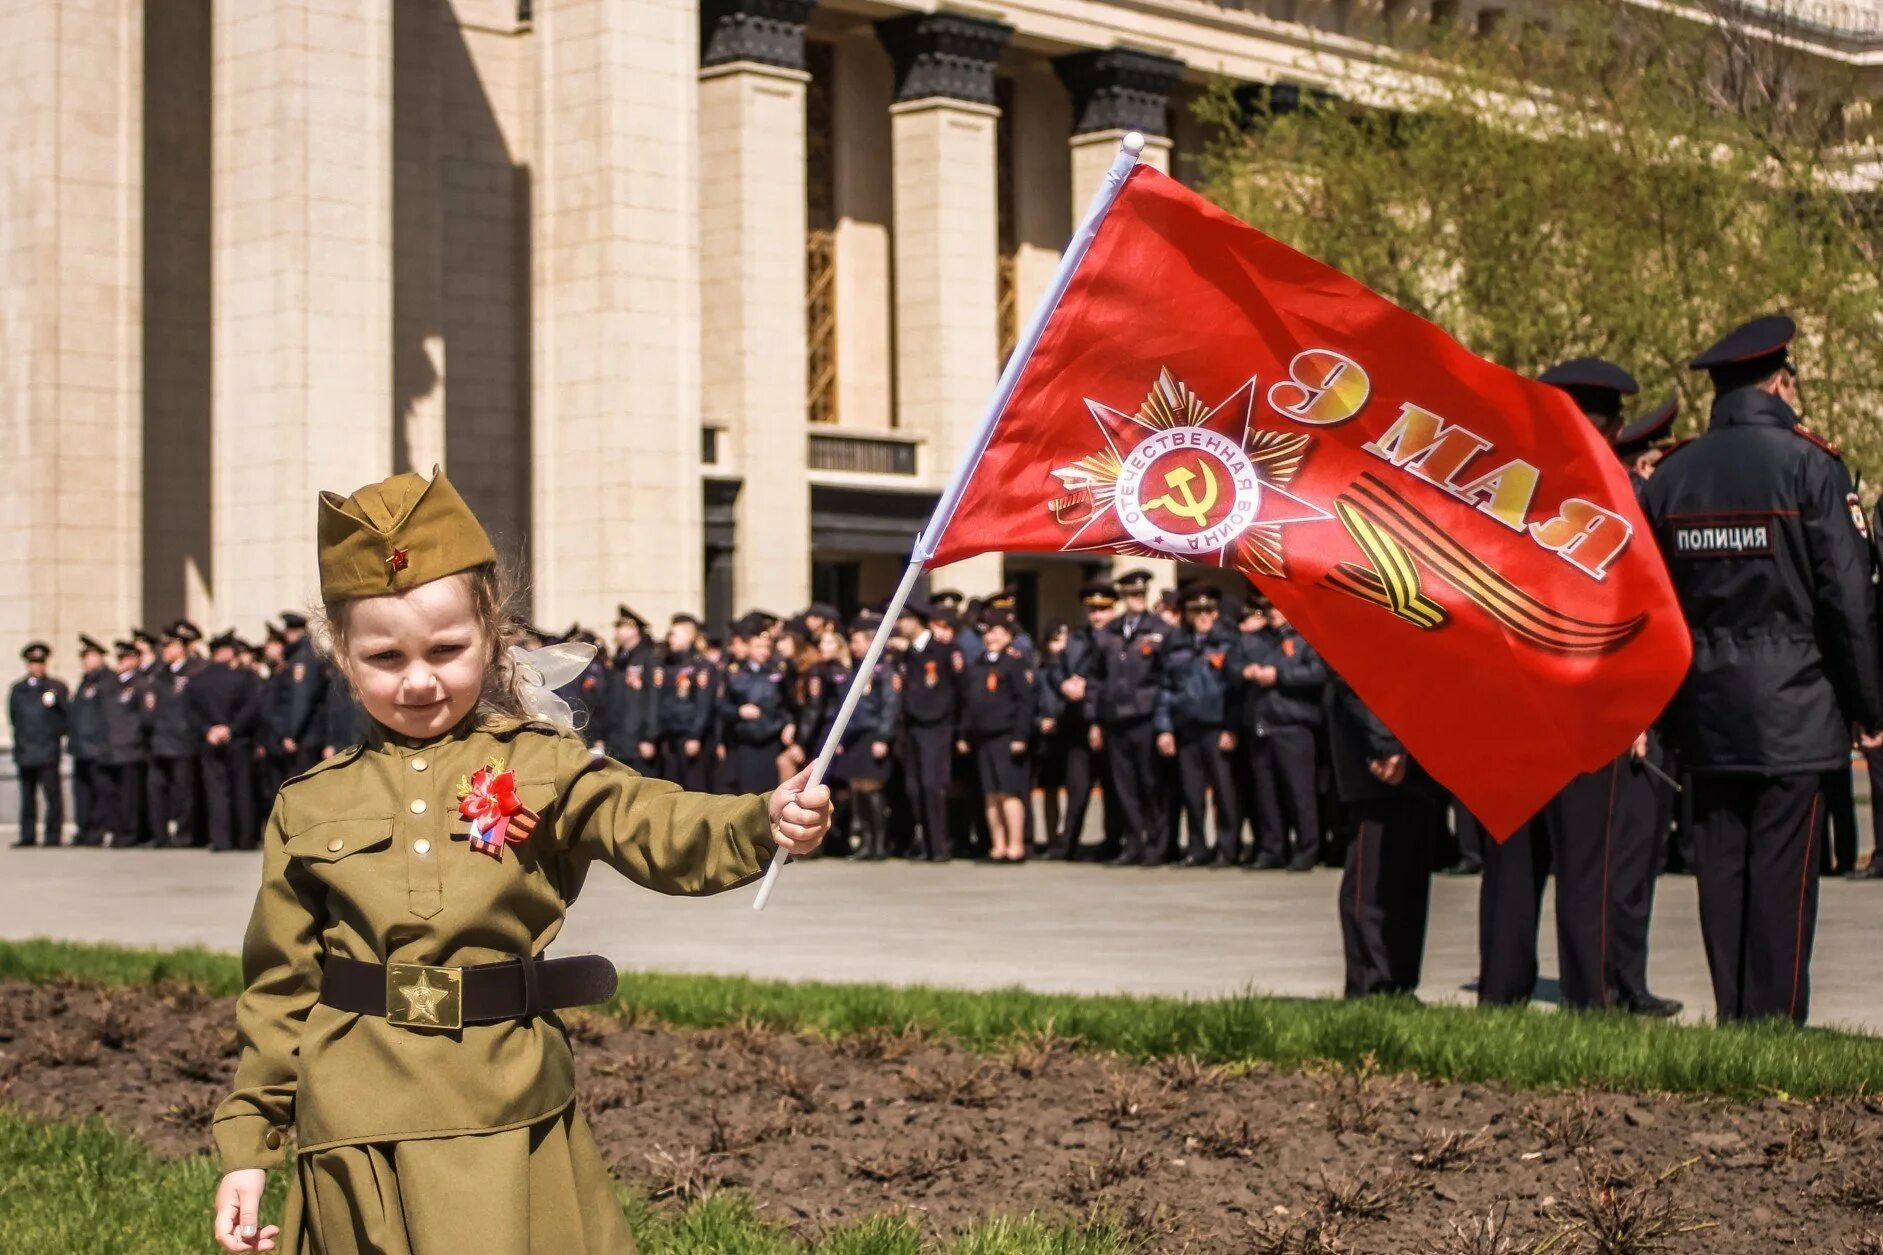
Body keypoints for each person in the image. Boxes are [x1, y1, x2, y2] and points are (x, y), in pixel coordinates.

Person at [209, 468, 830, 1254]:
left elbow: (650, 820)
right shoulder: (309, 802)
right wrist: (248, 1148)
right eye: (385, 657)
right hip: (359, 1125)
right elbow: (279, 990)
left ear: (493, 632)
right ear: (342, 654)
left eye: (446, 648)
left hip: (510, 1109)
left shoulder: (542, 763)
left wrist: (761, 819)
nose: (420, 679)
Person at [1642, 315, 1882, 1024]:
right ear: (1778, 381)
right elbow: (1848, 600)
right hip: (1795, 707)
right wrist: (1868, 708)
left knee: (1720, 873)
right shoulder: (1809, 465)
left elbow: (1650, 604)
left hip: (1705, 709)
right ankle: (1773, 1023)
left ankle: (1732, 1019)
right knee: (1783, 876)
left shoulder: (1674, 475)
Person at [1479, 358, 1681, 1017]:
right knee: (1587, 862)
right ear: (1616, 424)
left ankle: (1499, 991)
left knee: (1510, 863)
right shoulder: (1622, 493)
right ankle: (1588, 1000)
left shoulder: (1503, 486)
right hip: (1589, 699)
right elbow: (1642, 608)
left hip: (1511, 698)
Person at [1327, 672, 1446, 997]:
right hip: (1377, 760)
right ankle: (1371, 983)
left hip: (1418, 755)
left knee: (1409, 881)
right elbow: (1352, 675)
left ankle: (1400, 982)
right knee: (1372, 880)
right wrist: (1385, 744)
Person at [1237, 598, 1327, 870]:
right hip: (1264, 725)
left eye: (1279, 607)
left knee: (1299, 792)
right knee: (1267, 794)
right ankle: (1272, 848)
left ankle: (1307, 848)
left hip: (1293, 726)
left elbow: (1317, 672)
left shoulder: (1306, 638)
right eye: (1269, 609)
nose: (1274, 613)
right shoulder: (1264, 640)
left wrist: (1279, 674)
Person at [1086, 569, 1168, 866]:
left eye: (1140, 594)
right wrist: (1094, 719)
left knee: (1150, 783)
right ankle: (1133, 843)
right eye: (1130, 594)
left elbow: (1166, 678)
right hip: (1115, 719)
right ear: (1122, 597)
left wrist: (1164, 725)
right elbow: (1096, 679)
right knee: (1124, 786)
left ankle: (1157, 844)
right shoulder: (1111, 631)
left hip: (1145, 717)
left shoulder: (1159, 629)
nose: (1136, 599)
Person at [1157, 586, 1242, 866]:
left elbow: (1235, 692)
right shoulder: (1176, 642)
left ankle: (1228, 848)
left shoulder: (1229, 642)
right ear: (1188, 614)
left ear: (1216, 613)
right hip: (1186, 726)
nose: (1203, 616)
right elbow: (1166, 689)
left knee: (1224, 791)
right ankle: (1197, 847)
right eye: (1197, 611)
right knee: (1192, 792)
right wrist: (1165, 728)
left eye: (1208, 610)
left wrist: (1231, 727)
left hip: (1216, 726)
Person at [1048, 581, 1119, 861]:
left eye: (1103, 609)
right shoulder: (1078, 639)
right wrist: (1064, 683)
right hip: (1078, 726)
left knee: (1114, 789)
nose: (1097, 615)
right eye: (1092, 610)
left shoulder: (1119, 638)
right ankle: (1068, 844)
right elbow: (1055, 667)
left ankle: (1112, 844)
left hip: (1110, 724)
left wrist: (1087, 686)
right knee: (1076, 787)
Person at [958, 610, 1036, 863]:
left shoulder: (1014, 662)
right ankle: (998, 845)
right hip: (983, 737)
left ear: (1008, 635)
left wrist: (1020, 735)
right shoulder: (979, 663)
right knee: (990, 793)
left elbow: (1025, 702)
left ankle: (1016, 845)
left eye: (996, 632)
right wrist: (964, 732)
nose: (990, 637)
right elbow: (970, 702)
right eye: (987, 632)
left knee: (1009, 792)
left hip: (1007, 735)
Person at [896, 602, 965, 862]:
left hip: (937, 726)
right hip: (912, 726)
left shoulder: (944, 650)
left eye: (904, 619)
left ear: (918, 621)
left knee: (932, 785)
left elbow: (959, 691)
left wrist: (960, 729)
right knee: (914, 787)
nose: (900, 625)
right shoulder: (908, 654)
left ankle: (939, 845)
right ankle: (924, 843)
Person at [826, 623, 900, 860]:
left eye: (858, 640)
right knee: (857, 788)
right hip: (854, 737)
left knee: (872, 788)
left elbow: (890, 705)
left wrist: (883, 737)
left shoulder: (883, 670)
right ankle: (866, 842)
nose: (854, 646)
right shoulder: (858, 669)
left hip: (872, 735)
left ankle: (879, 843)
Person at [188, 631, 264, 853]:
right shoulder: (246, 677)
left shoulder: (198, 679)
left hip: (210, 742)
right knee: (243, 789)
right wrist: (232, 729)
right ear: (228, 651)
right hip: (239, 740)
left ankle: (221, 839)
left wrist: (208, 730)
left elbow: (190, 712)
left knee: (216, 790)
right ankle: (245, 839)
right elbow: (253, 707)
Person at [144, 621, 208, 847]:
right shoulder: (158, 673)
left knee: (184, 793)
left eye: (170, 646)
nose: (165, 651)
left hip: (183, 741)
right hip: (160, 740)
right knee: (156, 790)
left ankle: (184, 834)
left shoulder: (195, 670)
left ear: (181, 647)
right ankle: (159, 835)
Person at [719, 615, 796, 794]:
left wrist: (789, 724)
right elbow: (722, 708)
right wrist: (739, 711)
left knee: (770, 793)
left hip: (771, 740)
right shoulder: (734, 674)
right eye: (758, 646)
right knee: (748, 793)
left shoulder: (778, 673)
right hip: (746, 742)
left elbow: (787, 705)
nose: (763, 651)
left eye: (766, 647)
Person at [8, 642, 68, 847]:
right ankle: (28, 835)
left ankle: (53, 836)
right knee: (28, 797)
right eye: (33, 663)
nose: (36, 667)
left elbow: (64, 718)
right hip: (26, 750)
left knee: (52, 795)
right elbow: (14, 718)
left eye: (40, 663)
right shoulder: (18, 689)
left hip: (47, 749)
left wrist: (53, 736)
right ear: (27, 665)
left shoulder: (56, 687)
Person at [652, 613, 719, 792]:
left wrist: (695, 735)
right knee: (674, 789)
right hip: (672, 737)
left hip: (691, 737)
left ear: (689, 636)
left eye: (674, 634)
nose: (669, 638)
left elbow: (703, 705)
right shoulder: (669, 665)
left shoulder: (702, 667)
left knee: (696, 788)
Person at [265, 612, 328, 784]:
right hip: (304, 736)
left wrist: (292, 735)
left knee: (304, 786)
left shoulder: (303, 659)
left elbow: (302, 700)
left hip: (304, 737)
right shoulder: (300, 656)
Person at [101, 640, 148, 846]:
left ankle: (130, 833)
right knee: (112, 795)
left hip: (131, 748)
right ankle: (117, 831)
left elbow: (144, 717)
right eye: (119, 658)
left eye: (126, 658)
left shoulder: (141, 684)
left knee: (131, 798)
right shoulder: (110, 684)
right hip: (110, 749)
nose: (121, 662)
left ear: (136, 660)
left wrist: (135, 739)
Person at [68, 636, 112, 846]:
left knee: (99, 792)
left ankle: (97, 830)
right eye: (84, 657)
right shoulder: (84, 681)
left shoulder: (107, 681)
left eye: (89, 657)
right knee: (82, 792)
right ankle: (83, 829)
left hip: (98, 747)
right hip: (80, 747)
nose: (86, 661)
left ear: (99, 658)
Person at [606, 605, 659, 776]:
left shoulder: (648, 658)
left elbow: (653, 700)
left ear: (632, 628)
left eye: (620, 627)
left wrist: (649, 737)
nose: (616, 632)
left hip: (638, 742)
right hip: (618, 740)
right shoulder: (620, 660)